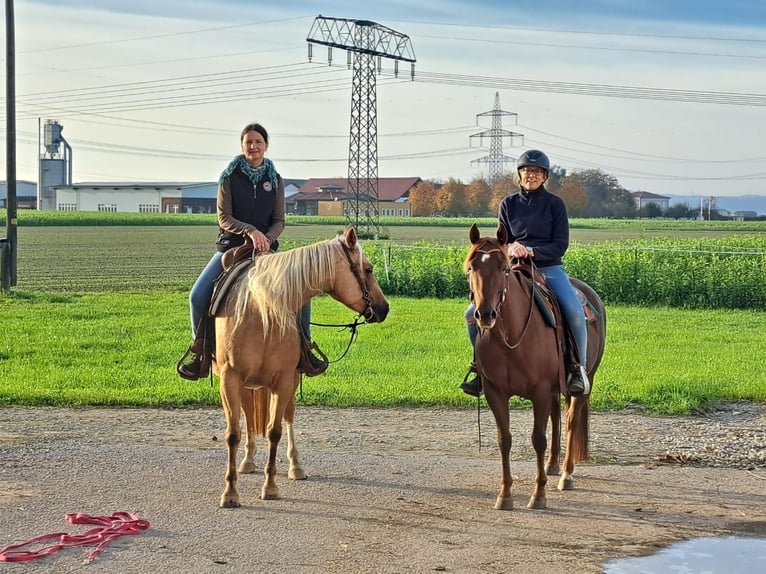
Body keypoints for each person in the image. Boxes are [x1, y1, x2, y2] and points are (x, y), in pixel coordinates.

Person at [177, 122, 324, 380]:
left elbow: (280, 220)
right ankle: (199, 351)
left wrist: (266, 237)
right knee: (197, 295)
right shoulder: (229, 177)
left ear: (266, 145)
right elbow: (224, 217)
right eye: (248, 142)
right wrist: (250, 231)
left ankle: (305, 349)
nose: (253, 147)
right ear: (242, 146)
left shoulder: (275, 180)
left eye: (258, 142)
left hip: (267, 251)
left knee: (302, 292)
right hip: (231, 247)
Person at [459, 149, 590, 397]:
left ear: (545, 177)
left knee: (574, 311)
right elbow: (502, 240)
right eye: (526, 171)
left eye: (537, 172)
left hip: (549, 267)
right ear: (518, 175)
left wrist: (531, 250)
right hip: (514, 268)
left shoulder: (556, 205)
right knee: (470, 314)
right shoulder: (508, 204)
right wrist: (510, 247)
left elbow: (560, 245)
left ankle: (577, 368)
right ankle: (479, 367)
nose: (531, 175)